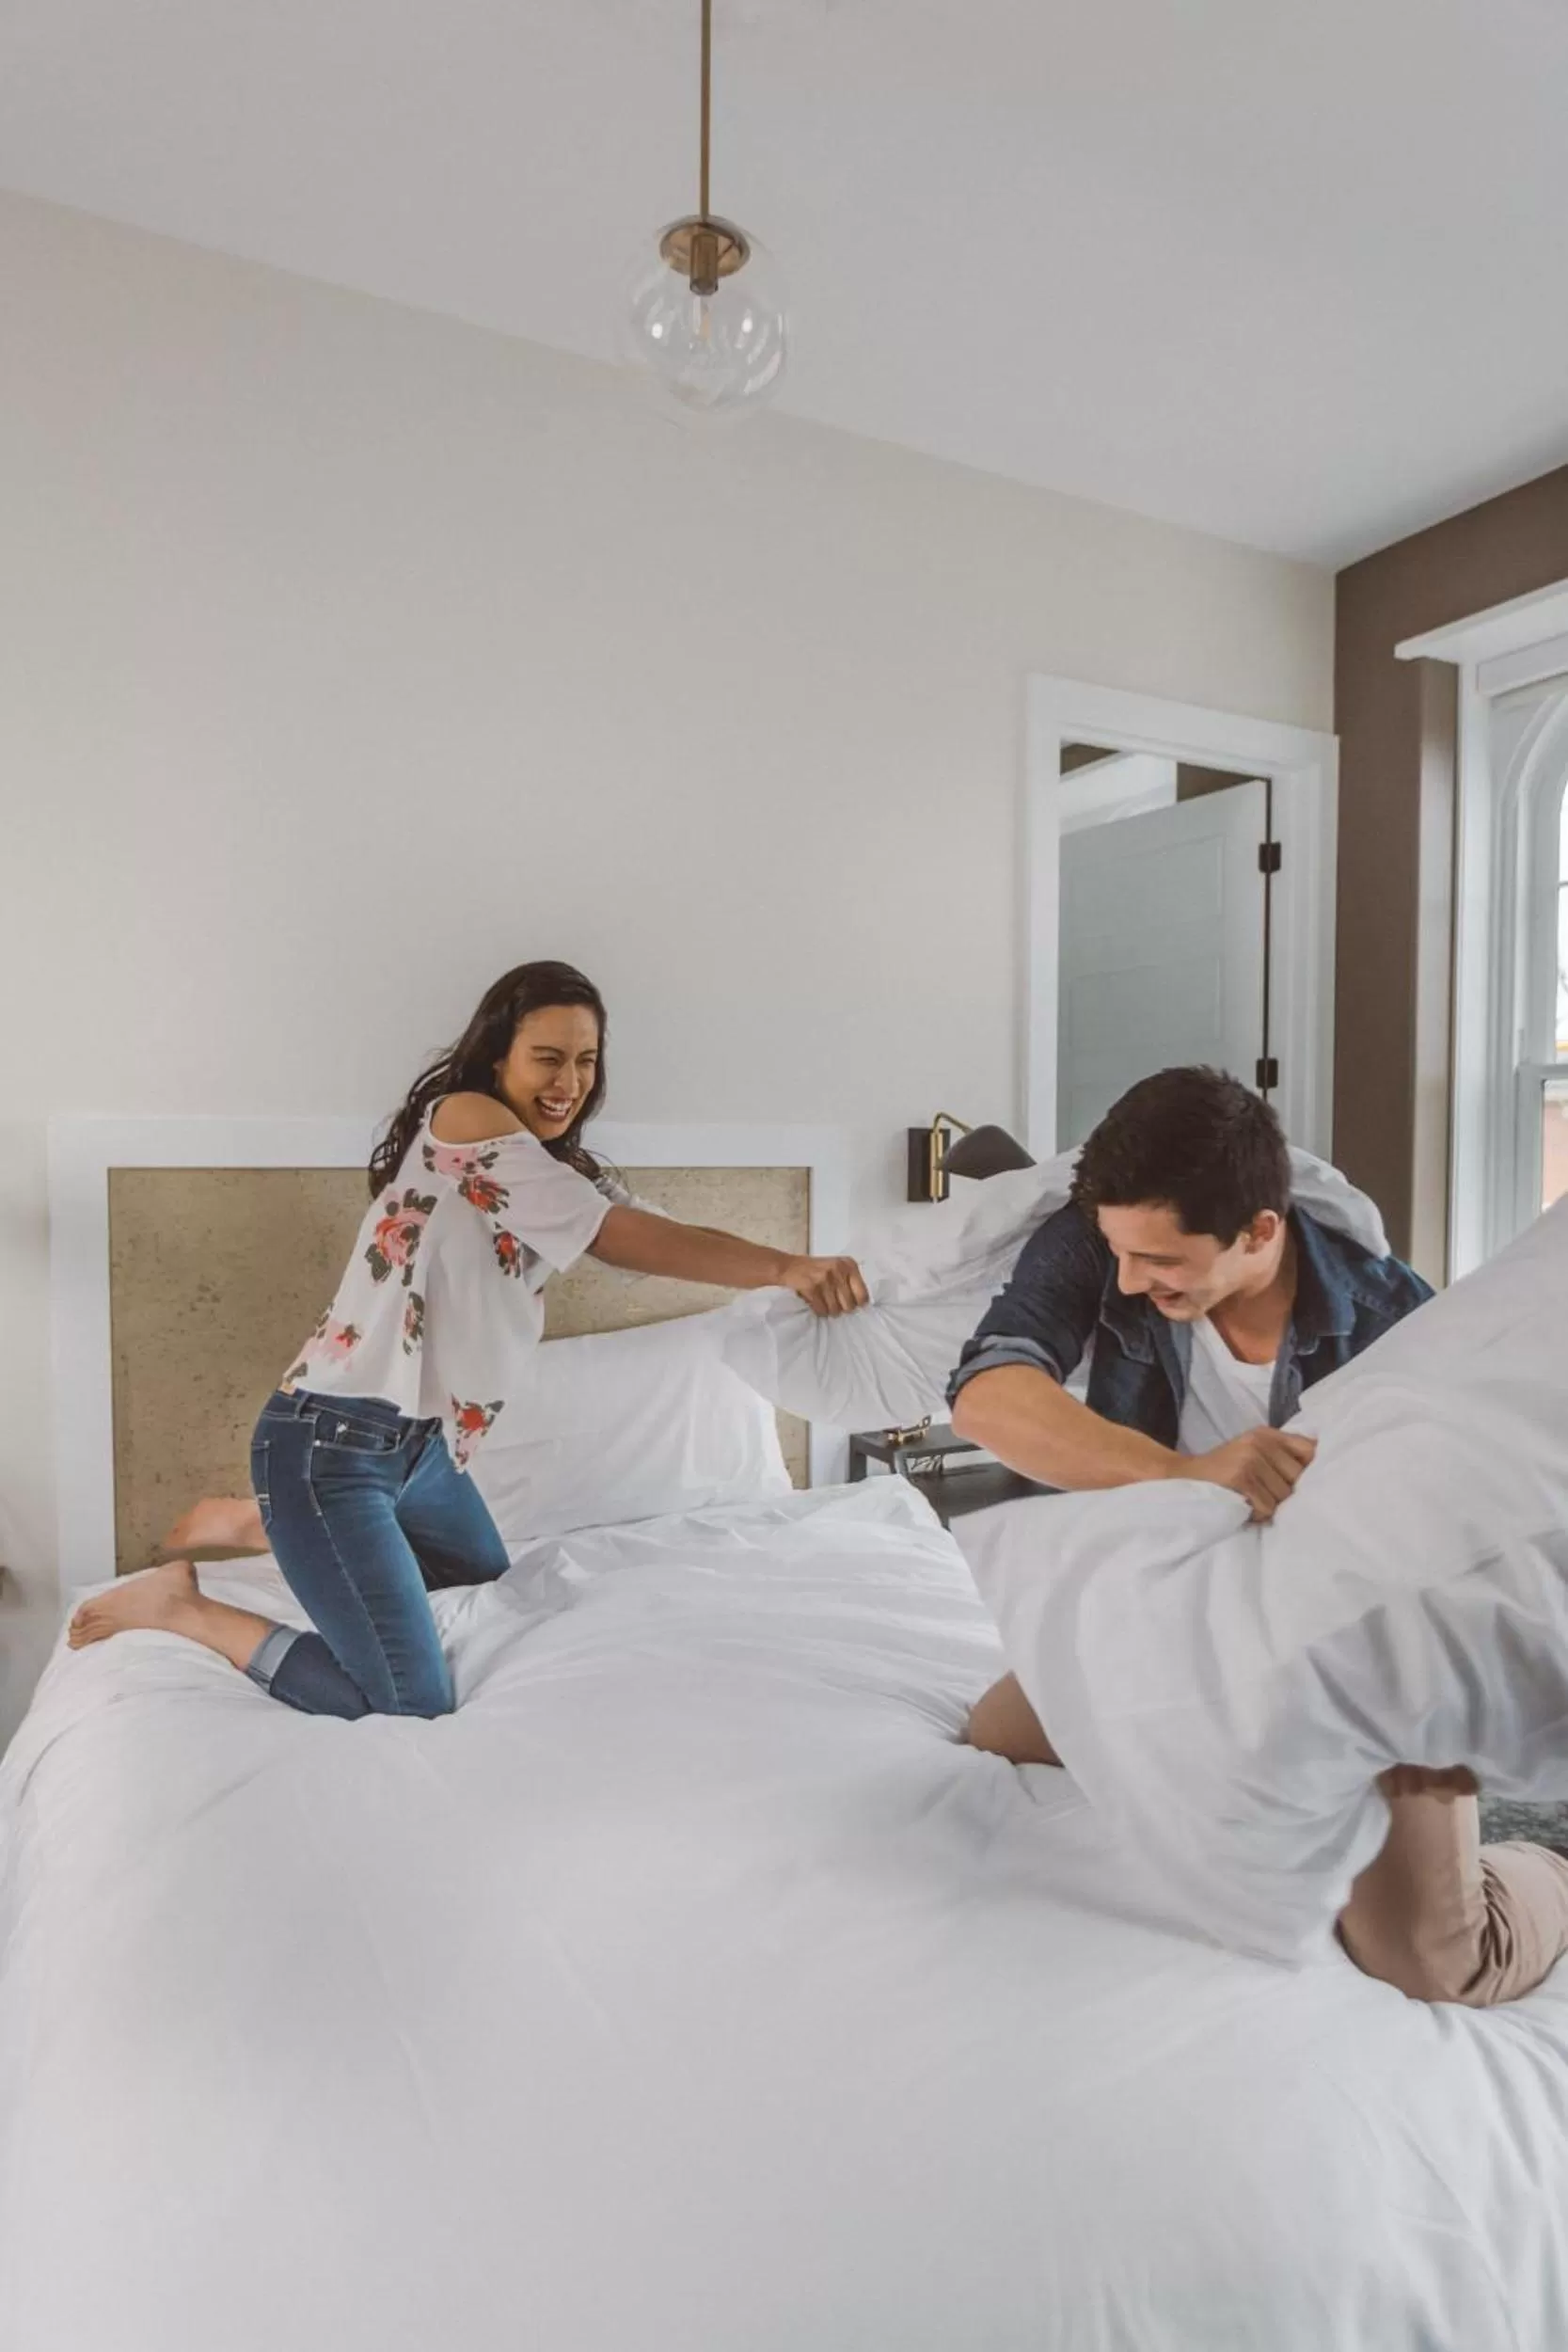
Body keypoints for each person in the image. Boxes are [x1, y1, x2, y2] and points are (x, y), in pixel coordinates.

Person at [69, 961, 867, 1720]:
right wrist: (783, 1268)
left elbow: (649, 1228)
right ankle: (183, 1608)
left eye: (585, 1061)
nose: (568, 1082)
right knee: (404, 1700)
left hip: (423, 1453)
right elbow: (613, 1237)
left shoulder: (560, 1173)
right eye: (547, 1058)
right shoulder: (463, 1118)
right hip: (331, 1444)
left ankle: (262, 1522)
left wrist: (792, 1273)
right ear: (495, 1057)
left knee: (482, 1586)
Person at [949, 1066, 1568, 2004]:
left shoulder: (1391, 1316)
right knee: (996, 1736)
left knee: (1432, 1961)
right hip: (1178, 1596)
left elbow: (1446, 1543)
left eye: (1161, 1262)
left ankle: (1548, 1870)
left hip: (1351, 1637)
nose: (1129, 1279)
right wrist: (1189, 1475)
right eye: (1119, 1253)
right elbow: (987, 1395)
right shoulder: (1104, 1241)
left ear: (1259, 1232)